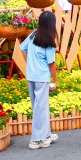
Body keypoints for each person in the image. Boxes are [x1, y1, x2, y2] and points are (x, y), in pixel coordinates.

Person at [21, 11, 59, 150]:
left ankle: (46, 134)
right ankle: (37, 140)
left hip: (31, 76)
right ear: (52, 24)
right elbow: (51, 64)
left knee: (37, 107)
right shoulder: (49, 40)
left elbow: (22, 49)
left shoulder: (33, 35)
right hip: (42, 78)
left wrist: (30, 64)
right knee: (40, 108)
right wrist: (55, 80)